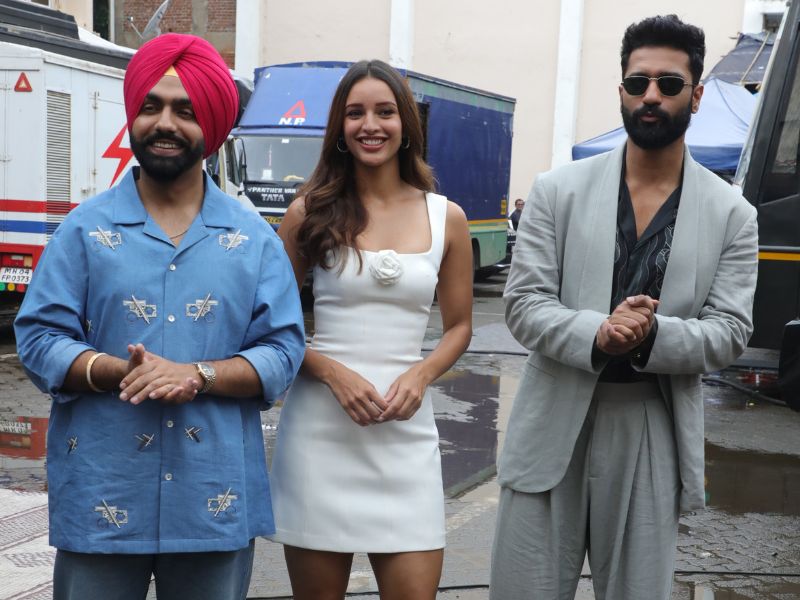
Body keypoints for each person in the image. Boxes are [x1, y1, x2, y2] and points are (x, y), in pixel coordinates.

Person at [14, 34, 305, 600]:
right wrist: (112, 371)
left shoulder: (252, 239)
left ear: (211, 127)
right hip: (102, 498)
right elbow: (39, 337)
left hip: (212, 502)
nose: (165, 123)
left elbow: (282, 351)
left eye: (185, 111)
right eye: (151, 106)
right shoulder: (83, 230)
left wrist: (199, 374)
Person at [490, 15, 758, 600]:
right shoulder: (557, 191)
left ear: (696, 96)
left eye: (669, 83)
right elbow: (524, 304)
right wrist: (598, 333)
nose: (651, 96)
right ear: (621, 92)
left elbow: (730, 330)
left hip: (649, 421)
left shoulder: (732, 214)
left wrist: (651, 336)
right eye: (638, 83)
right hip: (552, 417)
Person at [270, 59, 473, 600]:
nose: (370, 125)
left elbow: (459, 327)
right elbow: (270, 325)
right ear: (340, 127)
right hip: (319, 435)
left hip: (406, 435)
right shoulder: (306, 213)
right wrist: (331, 373)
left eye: (385, 112)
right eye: (355, 113)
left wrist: (421, 375)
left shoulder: (447, 218)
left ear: (406, 124)